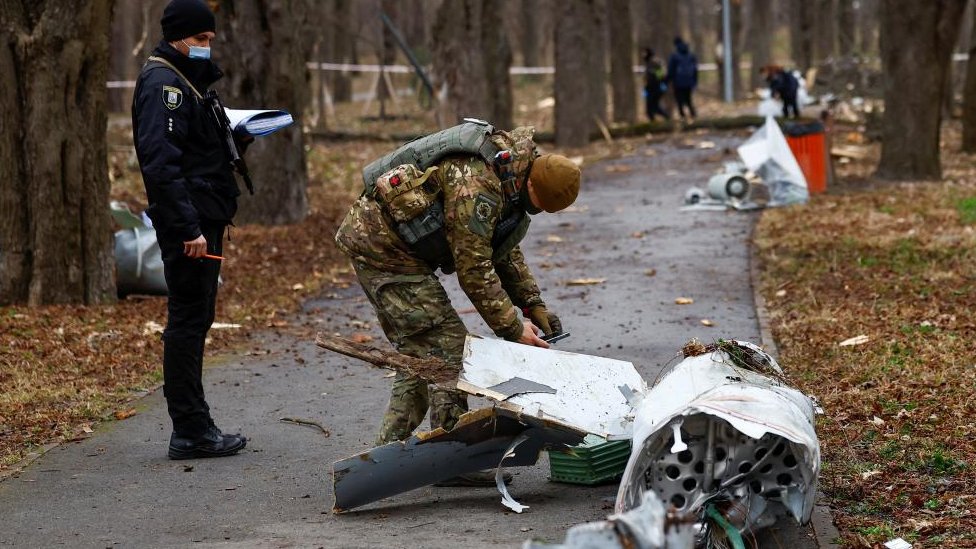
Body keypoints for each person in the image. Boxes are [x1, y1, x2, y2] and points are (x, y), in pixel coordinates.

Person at [334, 121, 580, 486]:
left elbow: (502, 247)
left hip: (402, 251)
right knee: (448, 349)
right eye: (538, 205)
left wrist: (532, 304)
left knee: (423, 355)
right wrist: (513, 328)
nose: (535, 211)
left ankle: (385, 458)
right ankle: (450, 458)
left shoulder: (510, 172)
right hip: (382, 249)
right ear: (531, 183)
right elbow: (474, 268)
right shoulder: (477, 184)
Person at [132, 0, 249, 460]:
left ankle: (196, 424)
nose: (206, 47)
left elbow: (194, 149)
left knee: (196, 318)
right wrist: (187, 228)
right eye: (200, 40)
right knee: (186, 320)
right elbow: (161, 165)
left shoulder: (186, 80)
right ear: (179, 37)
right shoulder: (164, 84)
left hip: (203, 216)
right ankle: (191, 429)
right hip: (191, 225)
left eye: (210, 40)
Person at [666, 37, 699, 122]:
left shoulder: (674, 56)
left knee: (679, 100)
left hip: (678, 82)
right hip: (689, 81)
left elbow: (671, 70)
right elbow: (695, 70)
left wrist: (667, 81)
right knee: (688, 99)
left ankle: (683, 116)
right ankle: (693, 115)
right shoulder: (691, 55)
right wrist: (694, 81)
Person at [642, 48, 668, 122]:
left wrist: (658, 81)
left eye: (644, 53)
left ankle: (666, 118)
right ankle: (654, 121)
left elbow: (661, 75)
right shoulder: (649, 63)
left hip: (655, 88)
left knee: (653, 107)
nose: (643, 55)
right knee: (651, 108)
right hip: (650, 88)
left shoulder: (654, 63)